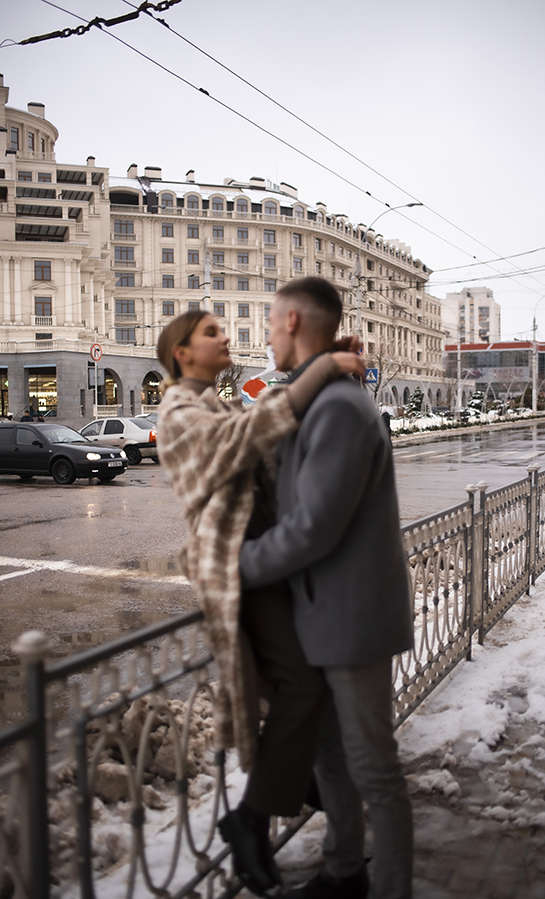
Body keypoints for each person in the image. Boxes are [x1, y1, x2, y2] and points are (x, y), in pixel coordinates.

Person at [156, 309, 364, 896]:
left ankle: (293, 786)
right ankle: (251, 817)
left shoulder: (217, 402)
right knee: (299, 684)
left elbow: (264, 426)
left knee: (300, 684)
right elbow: (247, 437)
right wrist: (320, 367)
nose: (226, 338)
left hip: (269, 561)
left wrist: (315, 363)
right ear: (182, 353)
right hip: (237, 569)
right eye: (211, 333)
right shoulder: (176, 413)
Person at [239, 278, 415, 899]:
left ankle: (391, 888)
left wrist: (235, 566)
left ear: (290, 321)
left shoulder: (340, 406)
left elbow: (313, 527)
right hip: (324, 617)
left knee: (374, 767)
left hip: (351, 620)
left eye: (267, 322)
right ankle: (345, 871)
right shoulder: (323, 396)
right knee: (331, 759)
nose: (264, 334)